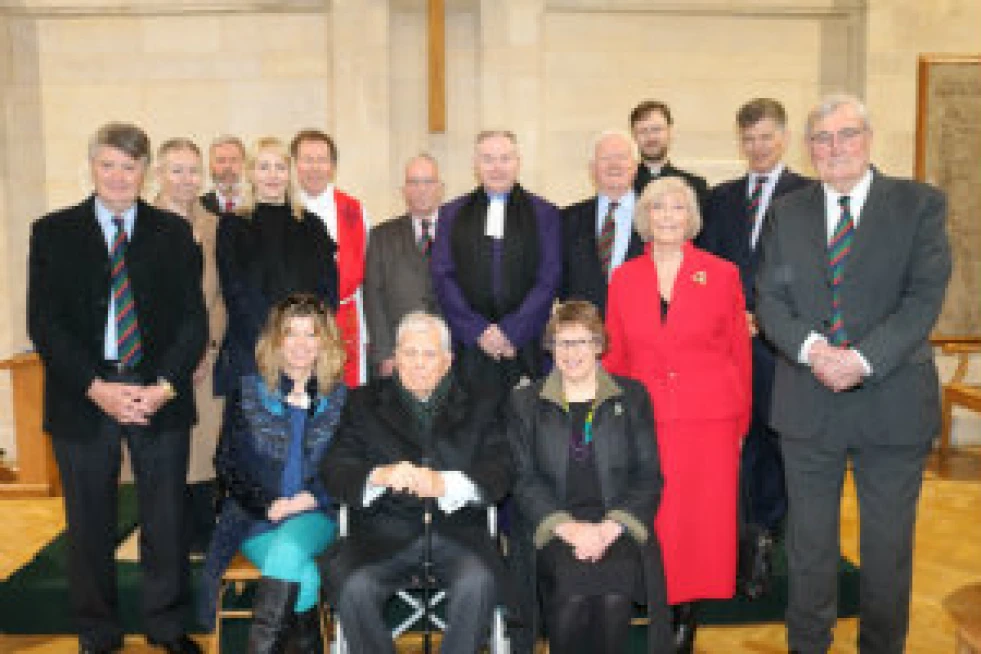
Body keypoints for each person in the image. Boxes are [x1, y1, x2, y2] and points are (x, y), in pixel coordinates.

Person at [755, 93, 952, 654]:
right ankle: (807, 645)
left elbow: (923, 299)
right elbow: (768, 298)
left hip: (892, 401)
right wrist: (814, 350)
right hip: (808, 398)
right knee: (809, 547)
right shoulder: (787, 211)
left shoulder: (919, 205)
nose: (834, 147)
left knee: (887, 549)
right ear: (808, 147)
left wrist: (862, 359)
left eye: (846, 135)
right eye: (822, 138)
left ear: (868, 139)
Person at [27, 122, 207, 654]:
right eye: (108, 165)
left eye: (129, 167)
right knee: (88, 523)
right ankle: (97, 632)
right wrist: (95, 387)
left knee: (166, 519)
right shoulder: (53, 232)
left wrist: (164, 387)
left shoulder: (173, 233)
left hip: (158, 393)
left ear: (144, 171)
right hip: (84, 394)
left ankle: (166, 626)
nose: (118, 176)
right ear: (92, 166)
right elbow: (45, 324)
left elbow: (192, 322)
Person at [603, 176, 751, 653]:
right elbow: (615, 356)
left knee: (699, 524)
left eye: (678, 207)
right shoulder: (624, 278)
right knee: (658, 518)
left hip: (709, 421)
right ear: (644, 217)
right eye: (658, 207)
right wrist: (614, 419)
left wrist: (741, 423)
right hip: (646, 419)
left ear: (692, 218)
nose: (667, 216)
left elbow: (738, 354)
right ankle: (657, 602)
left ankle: (687, 614)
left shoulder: (722, 274)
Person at [318, 311, 514, 654]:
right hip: (380, 536)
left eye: (429, 354)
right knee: (353, 587)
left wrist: (447, 484)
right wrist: (379, 476)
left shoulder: (481, 404)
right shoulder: (362, 403)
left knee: (479, 582)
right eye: (409, 353)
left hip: (459, 534)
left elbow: (501, 470)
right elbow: (334, 468)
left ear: (447, 360)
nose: (418, 364)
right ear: (395, 357)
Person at [507, 300, 672, 654]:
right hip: (553, 528)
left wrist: (608, 529)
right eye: (561, 343)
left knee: (613, 590)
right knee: (572, 588)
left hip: (616, 526)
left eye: (580, 341)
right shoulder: (525, 402)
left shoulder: (632, 397)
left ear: (598, 344)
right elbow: (523, 479)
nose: (571, 353)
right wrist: (570, 529)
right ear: (550, 347)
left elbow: (648, 477)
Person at [699, 98, 812, 597]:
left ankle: (766, 540)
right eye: (749, 139)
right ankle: (735, 539)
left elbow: (809, 272)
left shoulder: (808, 195)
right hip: (726, 347)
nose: (758, 147)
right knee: (731, 444)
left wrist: (765, 317)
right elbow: (706, 266)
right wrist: (730, 316)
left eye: (766, 137)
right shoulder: (720, 199)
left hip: (780, 348)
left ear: (783, 138)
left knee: (774, 442)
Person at [199, 293, 347, 654]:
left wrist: (308, 499)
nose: (300, 343)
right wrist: (267, 503)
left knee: (288, 551)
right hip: (255, 517)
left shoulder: (341, 399)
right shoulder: (248, 391)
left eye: (310, 333)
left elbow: (348, 468)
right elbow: (227, 464)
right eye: (290, 333)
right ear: (276, 341)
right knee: (303, 576)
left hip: (315, 514)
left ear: (324, 342)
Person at [431, 130, 561, 389]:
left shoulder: (544, 213)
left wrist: (511, 331)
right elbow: (443, 275)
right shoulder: (452, 214)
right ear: (476, 165)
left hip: (525, 343)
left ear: (518, 163)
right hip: (469, 345)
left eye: (505, 158)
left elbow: (549, 278)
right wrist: (478, 331)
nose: (497, 167)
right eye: (488, 159)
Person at [214, 137, 338, 397]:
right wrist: (277, 340)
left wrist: (305, 338)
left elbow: (328, 289)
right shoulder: (233, 225)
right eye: (264, 167)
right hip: (254, 349)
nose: (273, 175)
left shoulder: (312, 225)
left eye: (280, 167)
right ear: (251, 173)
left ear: (290, 174)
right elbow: (235, 293)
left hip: (307, 353)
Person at [153, 137, 228, 555]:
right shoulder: (142, 223)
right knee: (165, 453)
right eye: (177, 170)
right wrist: (175, 358)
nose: (186, 179)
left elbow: (219, 298)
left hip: (206, 359)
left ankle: (204, 533)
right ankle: (167, 537)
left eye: (193, 171)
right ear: (159, 174)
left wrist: (205, 348)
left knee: (203, 448)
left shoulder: (215, 226)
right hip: (159, 362)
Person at [291, 129, 371, 387]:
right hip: (294, 321)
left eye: (322, 160)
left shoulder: (354, 210)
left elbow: (367, 276)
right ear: (295, 164)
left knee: (345, 401)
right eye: (307, 160)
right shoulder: (283, 207)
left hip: (344, 318)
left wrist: (367, 333)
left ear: (333, 166)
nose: (315, 168)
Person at [363, 153, 444, 378]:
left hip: (449, 353)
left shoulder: (459, 233)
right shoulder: (381, 236)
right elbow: (372, 297)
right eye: (413, 182)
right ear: (404, 190)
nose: (421, 189)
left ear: (440, 188)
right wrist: (385, 354)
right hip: (399, 354)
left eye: (428, 182)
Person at [560, 130, 645, 315]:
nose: (614, 164)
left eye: (622, 157)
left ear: (635, 166)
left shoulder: (656, 219)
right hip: (583, 328)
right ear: (592, 168)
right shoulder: (567, 219)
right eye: (606, 158)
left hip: (640, 327)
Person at [629, 100, 709, 212]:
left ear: (670, 132)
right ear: (634, 136)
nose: (650, 137)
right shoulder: (624, 185)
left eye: (656, 129)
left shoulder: (695, 186)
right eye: (643, 131)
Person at [201, 135, 246, 215]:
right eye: (221, 160)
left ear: (243, 165)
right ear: (211, 167)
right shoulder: (198, 207)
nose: (228, 166)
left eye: (234, 160)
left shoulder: (257, 207)